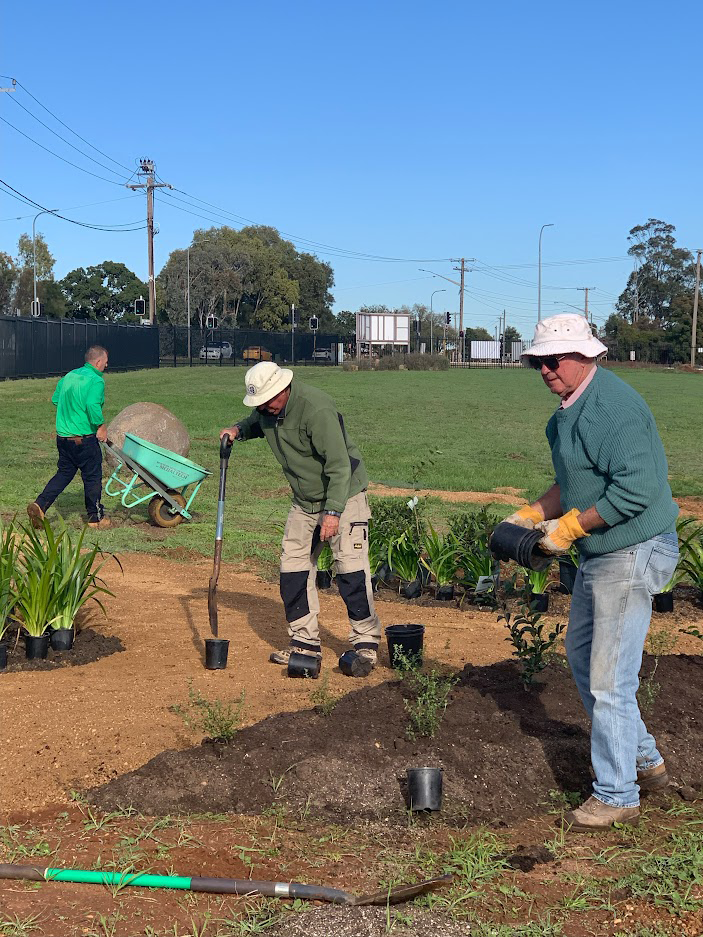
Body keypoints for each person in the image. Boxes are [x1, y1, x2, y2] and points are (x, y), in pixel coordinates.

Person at [505, 314, 679, 831]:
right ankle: (643, 761)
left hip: (633, 547)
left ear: (585, 355)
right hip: (601, 552)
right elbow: (574, 483)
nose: (544, 369)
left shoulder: (615, 408)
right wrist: (532, 514)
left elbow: (637, 491)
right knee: (583, 658)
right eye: (537, 361)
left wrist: (569, 529)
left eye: (553, 360)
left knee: (609, 679)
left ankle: (617, 793)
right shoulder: (564, 416)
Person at [219, 361, 381, 675]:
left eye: (269, 400)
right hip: (305, 501)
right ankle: (304, 644)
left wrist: (332, 512)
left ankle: (366, 645)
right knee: (292, 569)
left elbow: (339, 466)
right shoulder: (268, 411)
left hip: (343, 496)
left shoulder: (315, 409)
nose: (265, 407)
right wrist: (238, 430)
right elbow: (256, 421)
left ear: (284, 388)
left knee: (350, 571)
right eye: (260, 403)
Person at [27, 345, 111, 530]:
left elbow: (56, 399)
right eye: (105, 362)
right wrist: (101, 427)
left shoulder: (70, 376)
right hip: (84, 439)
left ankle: (40, 505)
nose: (106, 365)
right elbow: (92, 404)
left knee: (64, 474)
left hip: (63, 438)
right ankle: (96, 518)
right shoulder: (96, 380)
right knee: (92, 476)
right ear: (98, 362)